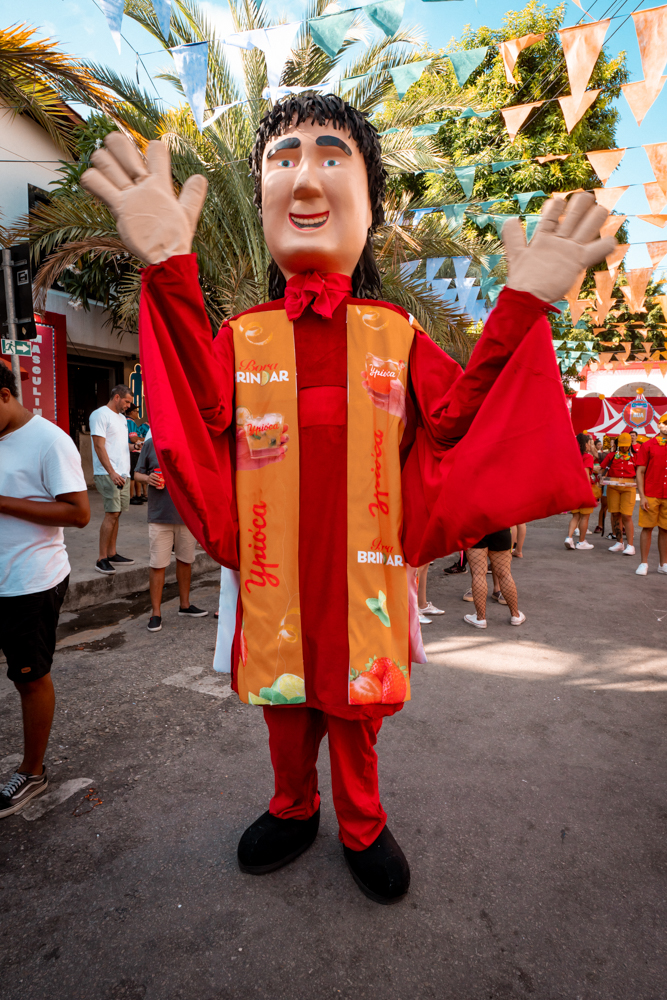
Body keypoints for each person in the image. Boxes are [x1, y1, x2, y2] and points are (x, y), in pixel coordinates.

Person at [81, 99, 615, 904]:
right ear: (260, 197)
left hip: (364, 564)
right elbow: (198, 410)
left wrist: (522, 305)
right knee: (286, 703)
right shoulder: (244, 335)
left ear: (370, 204)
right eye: (283, 159)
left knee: (356, 706)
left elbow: (463, 416)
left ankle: (362, 823)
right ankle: (292, 806)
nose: (304, 177)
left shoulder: (394, 333)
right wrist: (166, 267)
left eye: (332, 158)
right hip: (272, 565)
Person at [0, 363, 90, 819]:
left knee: (29, 677)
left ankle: (33, 772)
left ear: (3, 396)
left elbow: (78, 513)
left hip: (29, 582)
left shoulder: (50, 440)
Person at [134, 432, 209, 630]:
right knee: (158, 564)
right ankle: (155, 613)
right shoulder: (151, 444)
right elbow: (136, 474)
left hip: (186, 515)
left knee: (186, 561)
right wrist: (148, 478)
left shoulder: (191, 444)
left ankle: (184, 605)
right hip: (159, 516)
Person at [90, 384, 135, 574]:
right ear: (117, 397)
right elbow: (99, 446)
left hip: (123, 473)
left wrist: (135, 447)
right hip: (109, 473)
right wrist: (112, 472)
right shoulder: (100, 415)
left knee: (118, 513)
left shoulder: (122, 419)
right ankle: (101, 559)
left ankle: (112, 552)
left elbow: (119, 445)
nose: (128, 406)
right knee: (112, 514)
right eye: (127, 401)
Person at [463, 529, 525, 628]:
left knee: (478, 574)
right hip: (499, 525)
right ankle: (515, 615)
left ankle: (480, 618)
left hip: (474, 526)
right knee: (504, 573)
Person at [635, 413, 667, 576]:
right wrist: (642, 496)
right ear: (659, 425)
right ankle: (644, 562)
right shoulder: (648, 445)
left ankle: (663, 564)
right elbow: (640, 471)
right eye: (665, 423)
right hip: (651, 494)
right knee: (647, 528)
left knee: (665, 530)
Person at [600, 432, 636, 555]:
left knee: (626, 515)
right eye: (622, 445)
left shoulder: (635, 457)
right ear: (618, 444)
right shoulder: (611, 456)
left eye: (626, 446)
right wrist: (600, 476)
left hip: (629, 489)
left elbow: (641, 472)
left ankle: (630, 545)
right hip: (613, 488)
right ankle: (619, 542)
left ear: (630, 444)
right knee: (615, 514)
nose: (624, 448)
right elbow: (601, 469)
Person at [564, 433, 599, 550]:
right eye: (589, 443)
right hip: (584, 491)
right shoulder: (587, 457)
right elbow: (585, 476)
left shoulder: (572, 456)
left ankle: (569, 538)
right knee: (585, 517)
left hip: (573, 489)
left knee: (575, 516)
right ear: (585, 444)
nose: (590, 445)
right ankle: (581, 542)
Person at [126, 403, 148, 505]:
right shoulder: (130, 422)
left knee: (135, 475)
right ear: (131, 412)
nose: (137, 413)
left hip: (134, 451)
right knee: (133, 476)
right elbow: (133, 438)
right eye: (136, 411)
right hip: (133, 451)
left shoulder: (130, 422)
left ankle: (138, 495)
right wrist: (144, 439)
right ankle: (131, 497)